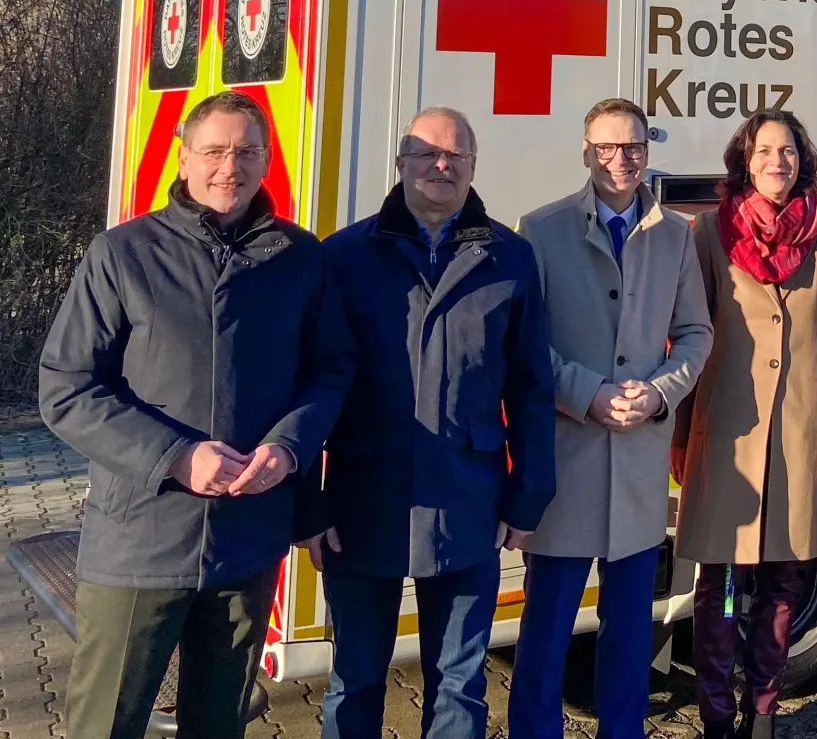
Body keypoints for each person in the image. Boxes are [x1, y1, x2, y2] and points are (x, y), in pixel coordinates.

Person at [38, 91, 354, 739]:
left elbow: (331, 371)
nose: (228, 167)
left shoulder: (299, 259)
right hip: (138, 544)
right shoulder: (122, 254)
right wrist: (176, 457)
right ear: (183, 160)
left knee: (219, 726)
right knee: (105, 725)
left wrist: (290, 448)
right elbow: (66, 388)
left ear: (266, 160)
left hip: (248, 541)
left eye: (245, 151)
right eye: (212, 151)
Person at [302, 106, 557, 739]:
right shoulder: (344, 257)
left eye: (455, 156)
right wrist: (306, 505)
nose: (441, 167)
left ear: (473, 166)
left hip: (466, 500)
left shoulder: (511, 259)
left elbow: (531, 387)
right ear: (401, 163)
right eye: (427, 154)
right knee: (355, 679)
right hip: (363, 502)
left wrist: (528, 499)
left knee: (459, 685)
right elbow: (307, 387)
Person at [512, 98, 714, 739]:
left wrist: (658, 394)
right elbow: (524, 345)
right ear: (585, 150)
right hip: (565, 462)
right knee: (545, 634)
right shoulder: (540, 231)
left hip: (637, 465)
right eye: (606, 147)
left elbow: (695, 334)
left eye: (632, 148)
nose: (619, 160)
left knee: (629, 639)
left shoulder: (676, 234)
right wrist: (586, 392)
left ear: (647, 153)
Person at [671, 110, 817, 739]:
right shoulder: (708, 233)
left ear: (802, 159)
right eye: (764, 151)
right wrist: (678, 433)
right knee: (721, 587)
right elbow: (689, 336)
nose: (777, 162)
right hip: (728, 438)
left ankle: (763, 713)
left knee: (784, 583)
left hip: (803, 435)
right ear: (744, 161)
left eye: (787, 151)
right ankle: (717, 717)